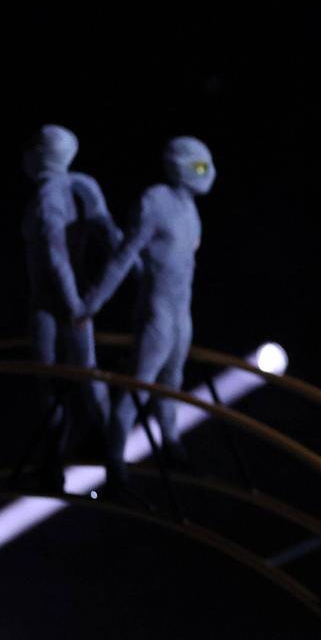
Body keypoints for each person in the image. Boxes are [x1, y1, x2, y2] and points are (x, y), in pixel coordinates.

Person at [84, 136, 214, 479]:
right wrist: (93, 302)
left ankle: (170, 442)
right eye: (200, 167)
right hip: (157, 310)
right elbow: (124, 257)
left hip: (180, 312)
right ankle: (114, 460)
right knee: (137, 386)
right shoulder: (155, 202)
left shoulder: (190, 211)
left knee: (172, 381)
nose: (207, 174)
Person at [19, 124, 120, 460]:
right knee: (85, 376)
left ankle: (60, 459)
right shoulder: (82, 185)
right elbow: (114, 239)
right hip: (70, 300)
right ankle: (103, 453)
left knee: (54, 382)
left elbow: (56, 256)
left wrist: (78, 304)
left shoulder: (50, 196)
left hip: (54, 303)